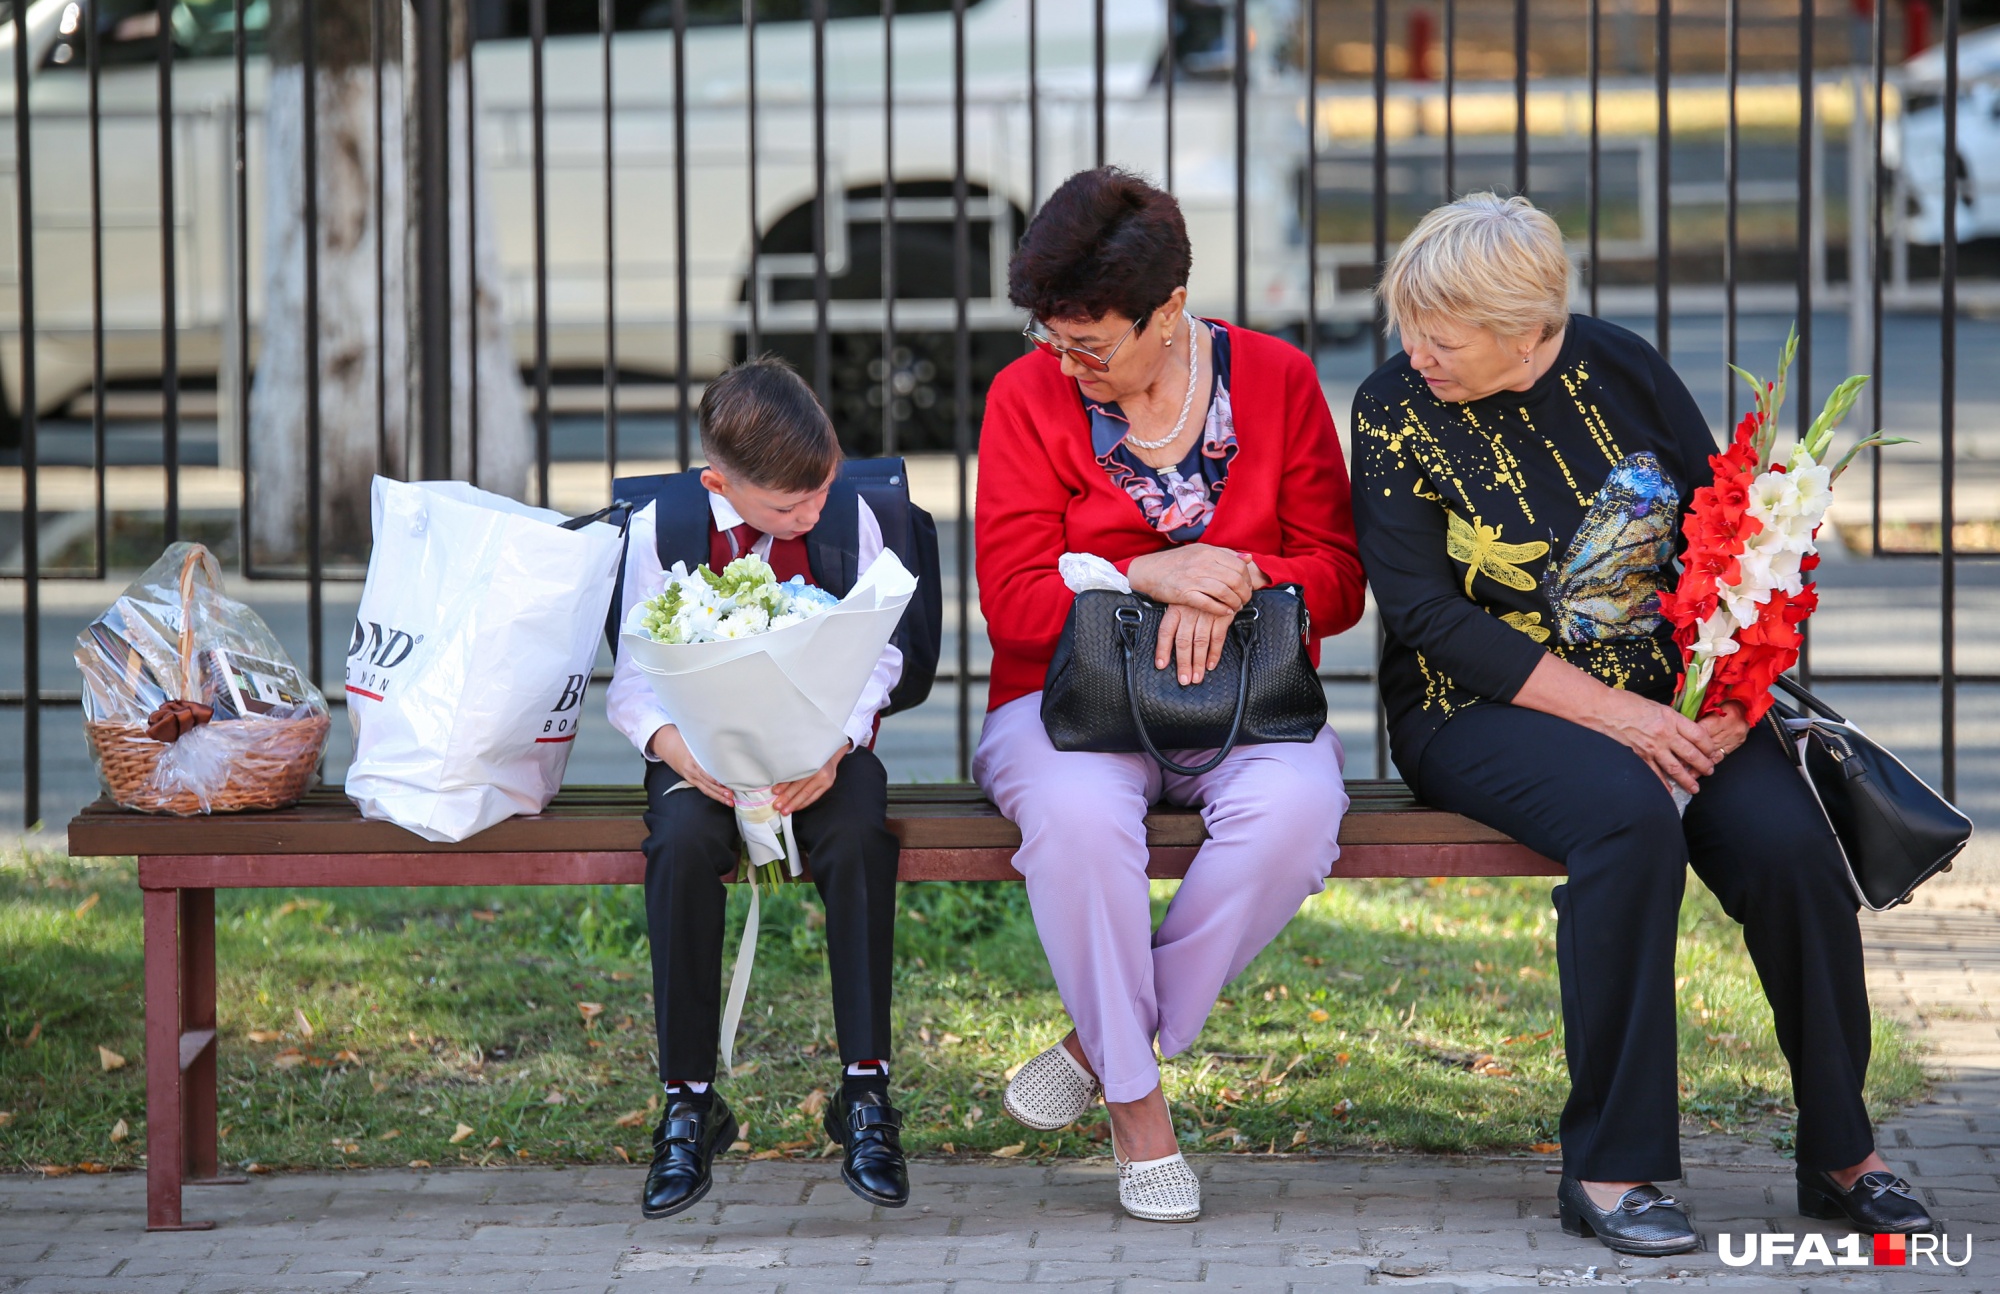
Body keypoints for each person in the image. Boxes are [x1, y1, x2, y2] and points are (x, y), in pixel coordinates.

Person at [1350, 193, 1936, 1255]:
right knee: (1626, 819)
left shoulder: (1620, 368)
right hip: (1479, 704)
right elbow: (1427, 615)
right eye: (1409, 325)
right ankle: (1610, 1166)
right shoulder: (1393, 405)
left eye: (1439, 333)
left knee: (1788, 844)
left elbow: (1727, 539)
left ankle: (1842, 1150)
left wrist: (1727, 699)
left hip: (1672, 697)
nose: (1414, 350)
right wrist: (1618, 717)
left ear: (1528, 331)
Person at [973, 167, 1367, 1223]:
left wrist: (1234, 572)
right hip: (1064, 703)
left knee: (1295, 813)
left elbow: (1336, 576)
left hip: (1247, 701)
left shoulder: (1277, 380)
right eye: (1051, 337)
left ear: (1170, 310)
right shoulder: (1024, 396)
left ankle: (1096, 1042)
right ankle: (1138, 1107)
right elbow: (1010, 603)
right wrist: (1144, 573)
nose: (1067, 362)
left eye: (1091, 343)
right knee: (1072, 820)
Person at [605, 356, 909, 1217]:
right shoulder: (665, 532)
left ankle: (864, 1090)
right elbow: (634, 677)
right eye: (787, 507)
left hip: (823, 756)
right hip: (700, 753)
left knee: (856, 838)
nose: (810, 513)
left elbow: (879, 650)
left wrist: (838, 745)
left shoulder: (847, 515)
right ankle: (690, 1101)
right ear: (718, 483)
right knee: (683, 842)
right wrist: (675, 748)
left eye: (821, 491)